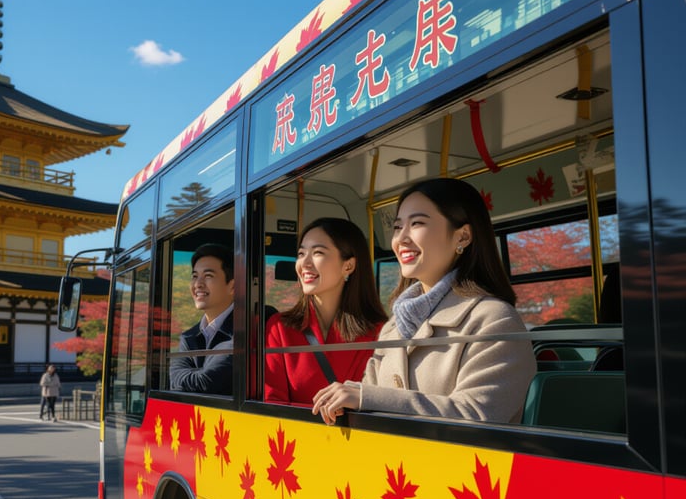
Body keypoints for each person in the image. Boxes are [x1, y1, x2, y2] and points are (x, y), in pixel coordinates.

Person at [312, 178, 536, 425]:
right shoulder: (393, 326)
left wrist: (369, 398)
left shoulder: (494, 319)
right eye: (398, 227)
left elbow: (480, 415)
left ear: (462, 236)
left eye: (417, 223)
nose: (401, 239)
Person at [264, 218, 387, 406]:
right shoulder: (280, 328)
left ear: (348, 266)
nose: (304, 263)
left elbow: (384, 400)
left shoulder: (380, 332)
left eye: (318, 253)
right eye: (301, 253)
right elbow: (271, 402)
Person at [169, 243, 235, 395]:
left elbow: (207, 383)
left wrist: (193, 373)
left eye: (208, 276)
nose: (198, 284)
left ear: (233, 286)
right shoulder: (189, 336)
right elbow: (174, 378)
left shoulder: (246, 328)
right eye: (194, 276)